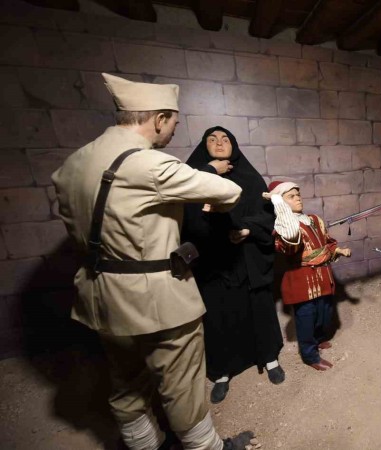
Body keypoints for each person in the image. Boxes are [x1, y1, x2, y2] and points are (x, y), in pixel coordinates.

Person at [52, 73, 254, 450]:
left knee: (125, 377)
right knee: (181, 380)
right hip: (156, 297)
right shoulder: (151, 164)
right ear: (159, 119)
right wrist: (210, 174)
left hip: (100, 292)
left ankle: (146, 445)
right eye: (174, 122)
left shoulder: (74, 162)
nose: (174, 130)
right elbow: (228, 190)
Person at [182, 126, 285, 405]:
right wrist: (209, 173)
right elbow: (185, 218)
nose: (219, 143)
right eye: (212, 139)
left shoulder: (250, 178)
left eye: (225, 139)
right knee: (220, 313)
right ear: (204, 146)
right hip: (214, 260)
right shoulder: (191, 178)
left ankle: (269, 358)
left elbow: (268, 216)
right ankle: (222, 373)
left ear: (234, 146)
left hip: (248, 257)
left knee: (258, 307)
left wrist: (249, 229)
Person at [265, 181, 352, 370]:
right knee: (306, 318)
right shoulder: (284, 229)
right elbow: (289, 249)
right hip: (301, 279)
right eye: (291, 196)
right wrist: (283, 216)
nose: (298, 198)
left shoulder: (314, 219)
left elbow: (326, 242)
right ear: (280, 202)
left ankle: (318, 338)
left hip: (323, 275)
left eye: (298, 194)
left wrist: (337, 250)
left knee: (324, 312)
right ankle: (310, 355)